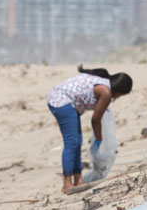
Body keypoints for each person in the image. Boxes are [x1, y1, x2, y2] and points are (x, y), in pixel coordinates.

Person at [47, 65, 133, 193]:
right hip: (61, 101)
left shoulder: (103, 83)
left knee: (77, 142)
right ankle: (67, 183)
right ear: (120, 91)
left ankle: (78, 180)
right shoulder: (106, 92)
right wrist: (99, 139)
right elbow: (95, 120)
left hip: (66, 100)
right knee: (72, 142)